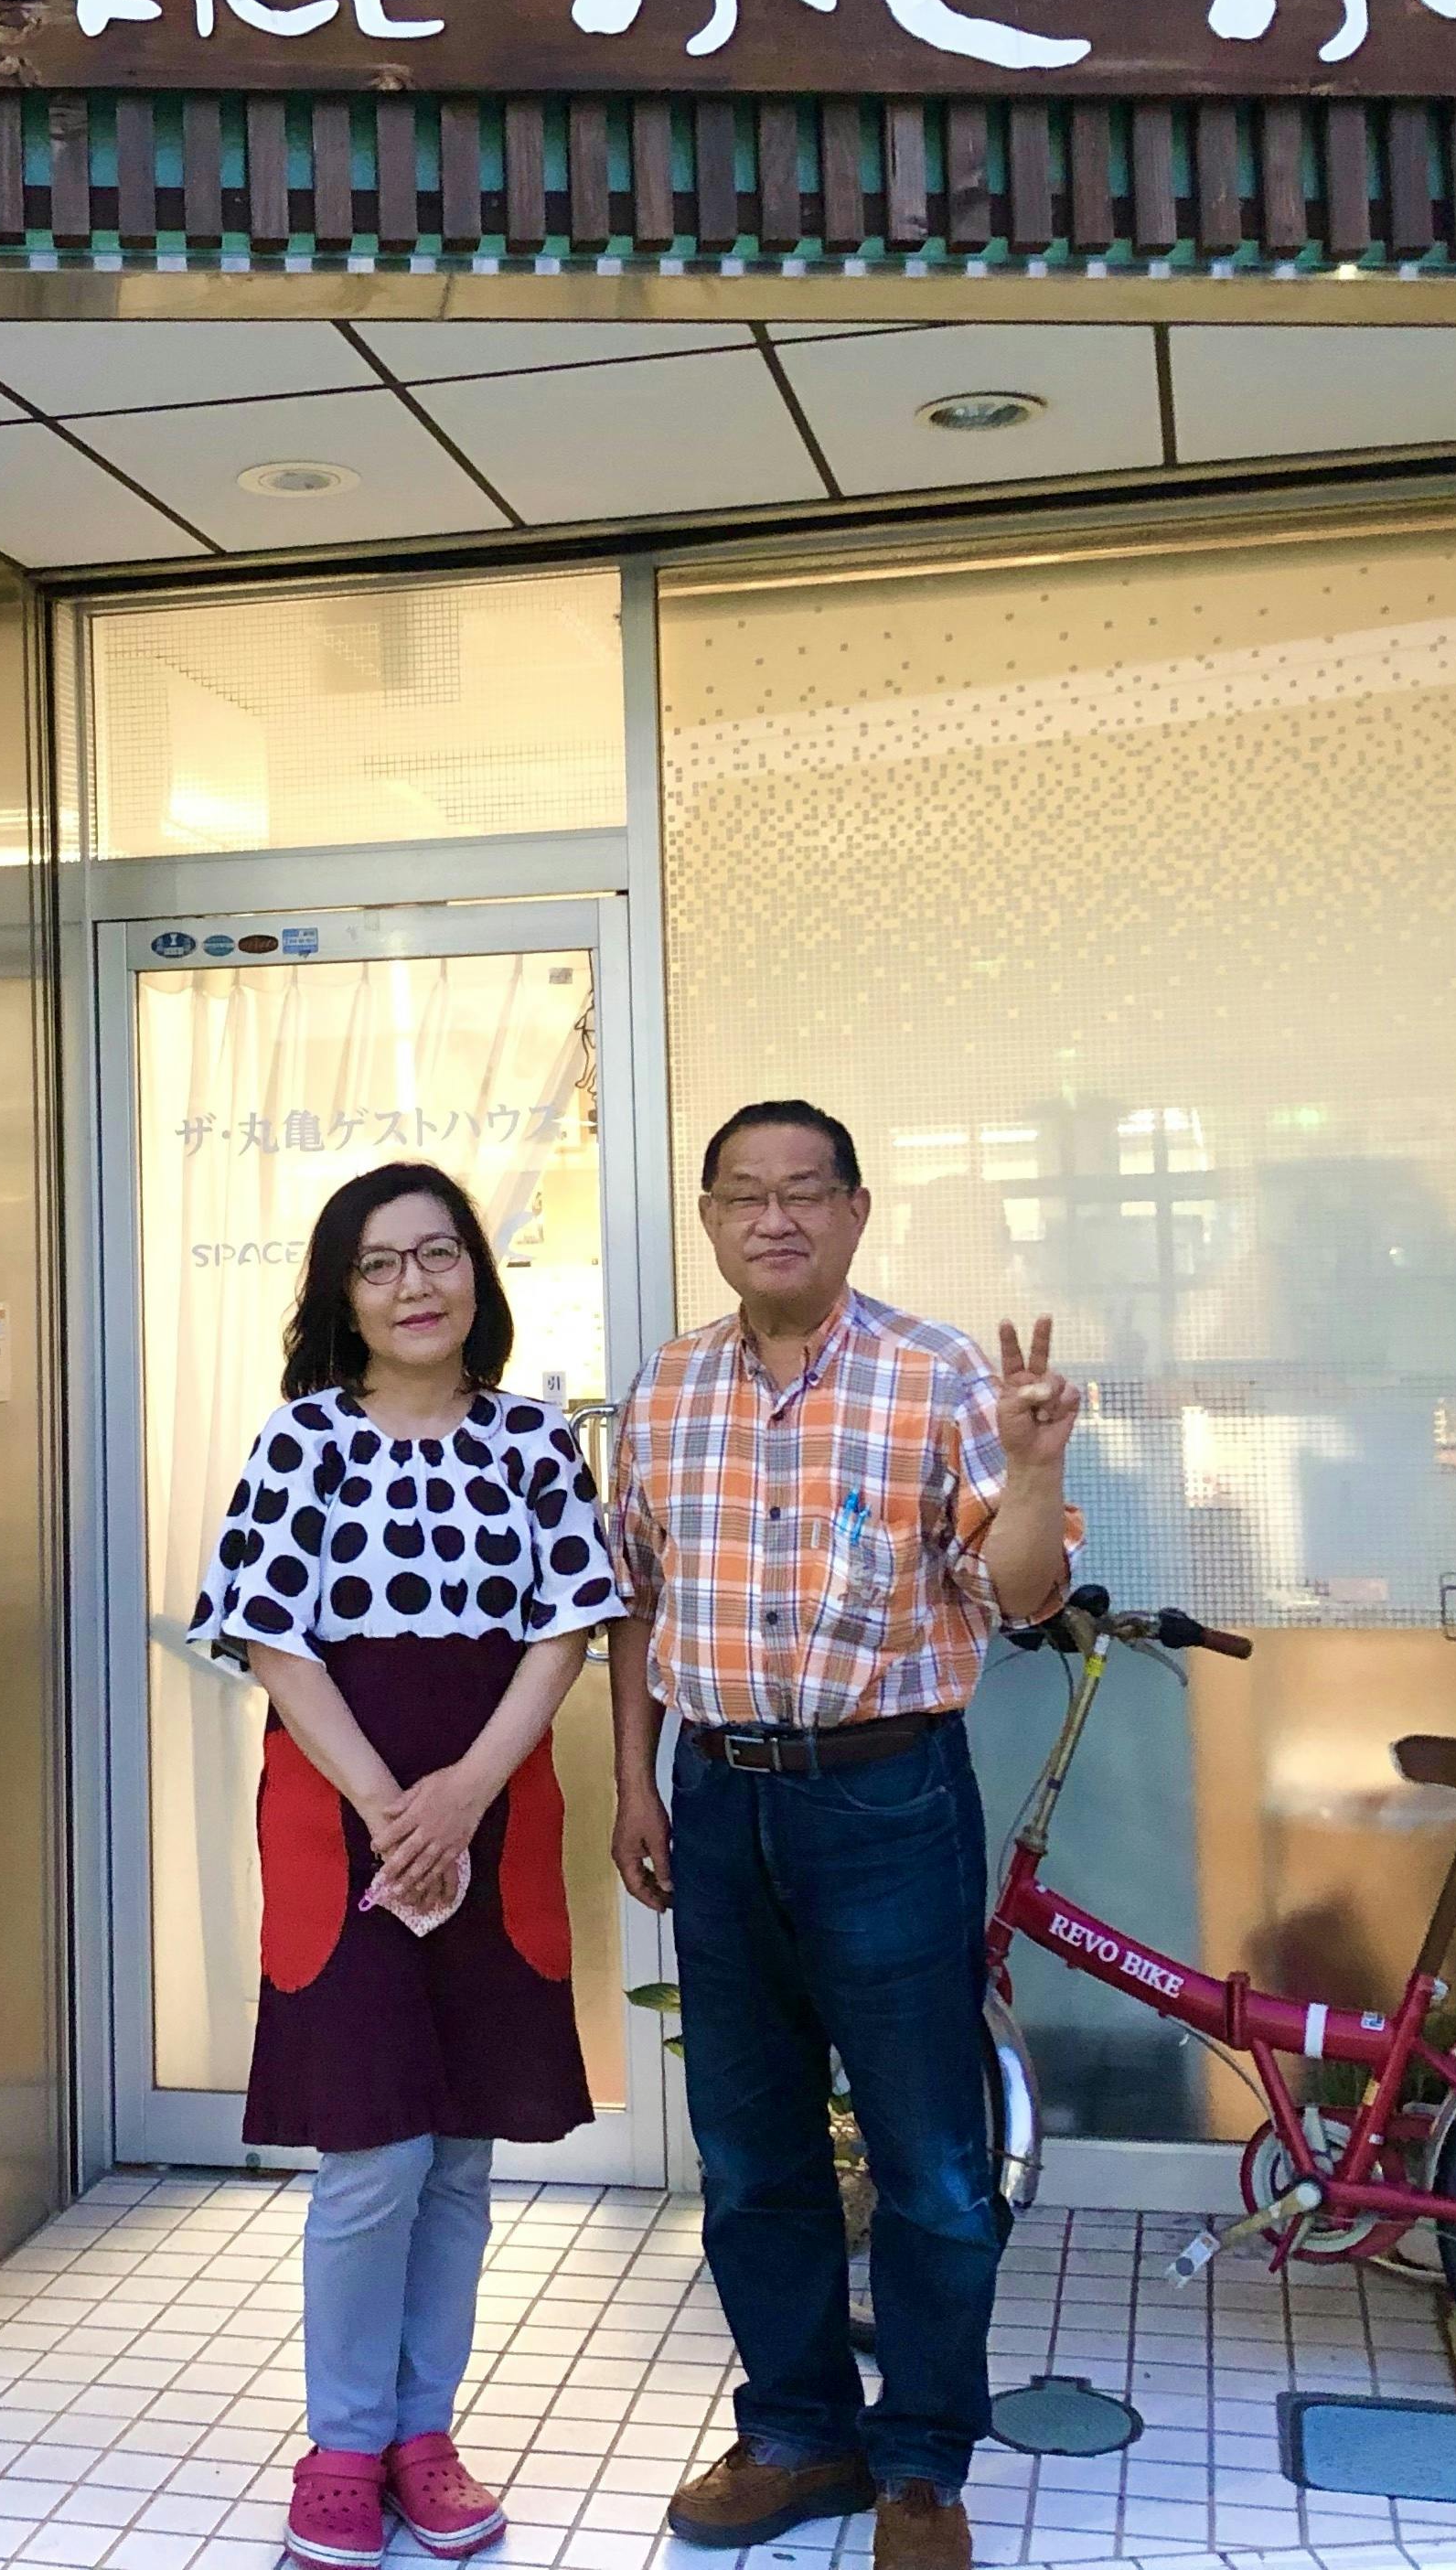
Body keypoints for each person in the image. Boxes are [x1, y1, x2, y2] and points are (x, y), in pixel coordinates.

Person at [605, 1100, 1082, 2570]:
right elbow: (634, 1603)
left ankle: (922, 2466)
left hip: (886, 1799)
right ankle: (798, 2434)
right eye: (744, 1193)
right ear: (709, 1218)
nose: (775, 1217)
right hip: (718, 1791)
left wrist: (1034, 1471)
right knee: (751, 2148)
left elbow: (1025, 1598)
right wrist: (635, 1784)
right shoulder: (666, 1386)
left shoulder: (936, 1374)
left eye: (805, 1190)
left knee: (928, 2152)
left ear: (857, 1210)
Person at [186, 1160, 624, 2570]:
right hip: (342, 1821)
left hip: (496, 1814)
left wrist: (466, 1798)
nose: (414, 1285)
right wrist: (395, 1810)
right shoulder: (301, 1441)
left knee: (461, 2155)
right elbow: (271, 1639)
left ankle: (425, 2436)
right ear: (343, 1296)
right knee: (372, 2151)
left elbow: (566, 1629)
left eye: (438, 1255)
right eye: (378, 1265)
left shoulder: (535, 1441)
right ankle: (342, 2442)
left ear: (477, 1277)